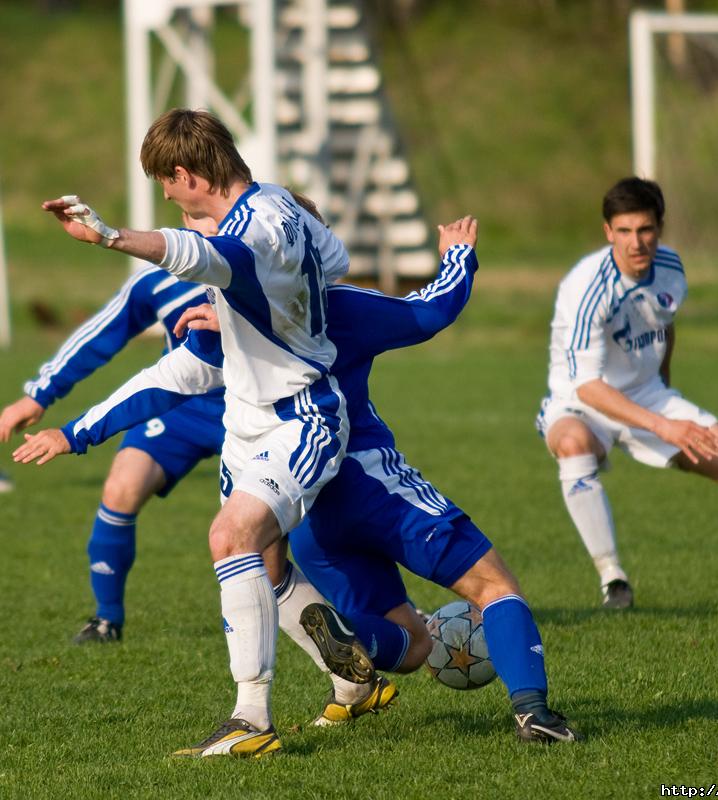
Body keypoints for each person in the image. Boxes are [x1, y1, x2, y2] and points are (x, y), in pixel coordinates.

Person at [17, 217, 579, 745]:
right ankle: (534, 712)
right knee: (494, 586)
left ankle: (349, 637)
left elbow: (165, 380)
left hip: (304, 504)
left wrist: (73, 431)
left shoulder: (234, 319)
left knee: (410, 646)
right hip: (367, 479)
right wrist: (459, 253)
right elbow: (432, 311)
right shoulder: (342, 305)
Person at [37, 108, 366, 758]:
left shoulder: (255, 227)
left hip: (299, 415)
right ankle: (351, 676)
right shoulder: (281, 202)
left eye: (166, 182)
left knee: (230, 536)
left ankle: (251, 719)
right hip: (245, 419)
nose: (166, 195)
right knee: (265, 564)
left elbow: (206, 255)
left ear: (188, 175)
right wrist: (254, 314)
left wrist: (111, 237)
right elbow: (334, 258)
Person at [536, 176, 718, 611]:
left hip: (648, 395)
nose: (635, 242)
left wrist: (665, 393)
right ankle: (613, 579)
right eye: (624, 231)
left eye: (645, 230)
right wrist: (664, 425)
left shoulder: (671, 266)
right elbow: (587, 384)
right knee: (572, 443)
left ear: (659, 227)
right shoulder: (586, 287)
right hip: (581, 402)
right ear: (608, 232)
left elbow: (664, 323)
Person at [0, 244, 225, 644]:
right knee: (122, 486)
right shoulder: (160, 281)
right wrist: (38, 395)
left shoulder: (258, 269)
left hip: (256, 407)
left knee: (271, 528)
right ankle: (107, 620)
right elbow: (101, 334)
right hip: (177, 403)